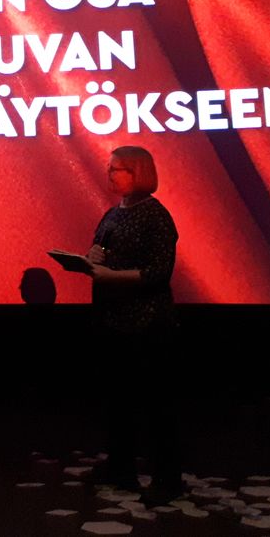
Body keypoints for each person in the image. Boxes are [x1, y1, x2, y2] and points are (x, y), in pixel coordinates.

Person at [84, 145, 182, 506]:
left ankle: (167, 479)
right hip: (114, 321)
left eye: (118, 169)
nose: (110, 175)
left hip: (147, 323)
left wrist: (110, 276)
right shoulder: (113, 213)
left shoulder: (156, 216)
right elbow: (100, 252)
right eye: (110, 168)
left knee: (156, 405)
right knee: (118, 402)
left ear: (138, 172)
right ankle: (120, 468)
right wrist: (92, 258)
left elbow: (158, 273)